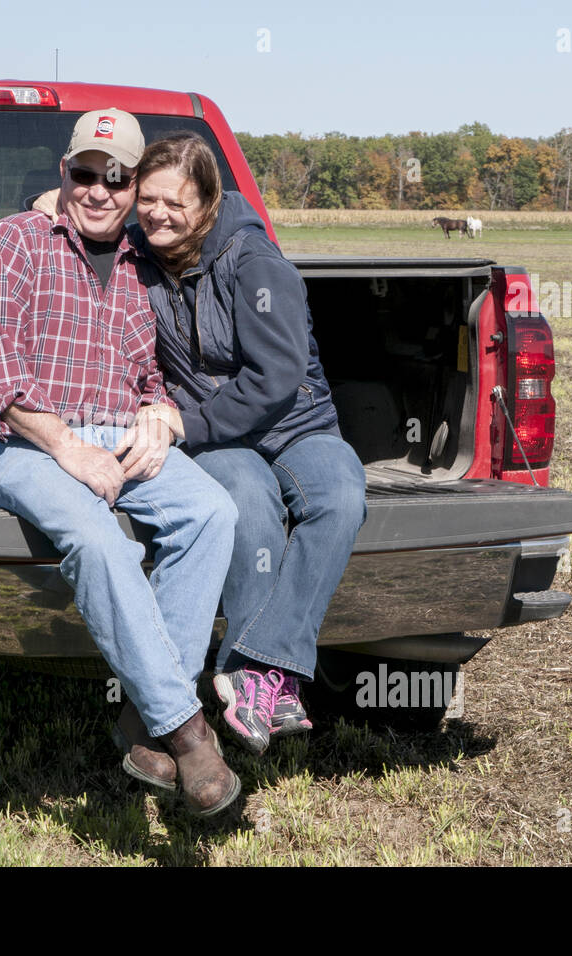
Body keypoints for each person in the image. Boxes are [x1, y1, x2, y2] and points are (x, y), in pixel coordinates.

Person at [0, 111, 242, 815]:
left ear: (136, 184)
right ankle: (188, 731)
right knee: (97, 538)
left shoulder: (144, 264)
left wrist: (157, 415)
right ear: (63, 174)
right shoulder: (10, 243)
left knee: (212, 512)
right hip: (14, 444)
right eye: (85, 173)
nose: (99, 190)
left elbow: (150, 371)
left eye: (116, 177)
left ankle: (142, 723)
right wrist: (68, 449)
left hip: (113, 436)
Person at [126, 132, 368, 755]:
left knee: (341, 494)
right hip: (223, 437)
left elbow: (277, 376)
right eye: (146, 198)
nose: (157, 213)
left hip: (296, 422)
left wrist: (187, 423)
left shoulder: (254, 261)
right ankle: (265, 686)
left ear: (207, 203)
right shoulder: (137, 253)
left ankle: (256, 667)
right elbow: (79, 218)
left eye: (174, 202)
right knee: (247, 506)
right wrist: (44, 201)